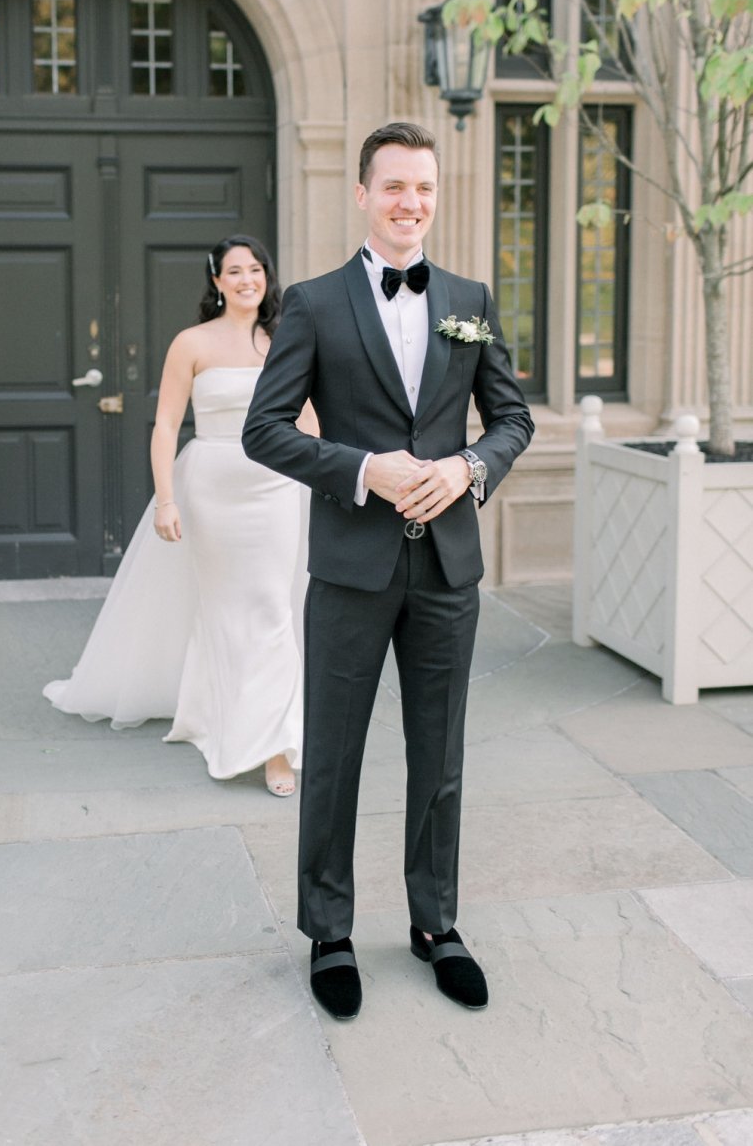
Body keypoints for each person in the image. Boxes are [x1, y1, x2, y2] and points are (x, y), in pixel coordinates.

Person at [242, 122, 534, 1017]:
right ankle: (330, 931)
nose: (412, 202)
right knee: (331, 756)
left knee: (438, 755)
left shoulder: (471, 297)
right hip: (351, 566)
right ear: (363, 193)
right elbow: (266, 428)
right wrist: (366, 470)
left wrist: (467, 467)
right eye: (396, 185)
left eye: (425, 188)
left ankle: (435, 921)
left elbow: (512, 418)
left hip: (447, 567)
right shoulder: (316, 303)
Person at [44, 235, 309, 797]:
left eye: (255, 270)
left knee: (273, 606)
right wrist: (167, 499)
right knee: (222, 607)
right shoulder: (191, 343)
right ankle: (215, 711)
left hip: (279, 486)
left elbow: (309, 418)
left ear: (267, 277)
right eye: (234, 271)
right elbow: (166, 425)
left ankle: (274, 746)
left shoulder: (287, 338)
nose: (246, 280)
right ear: (216, 281)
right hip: (212, 488)